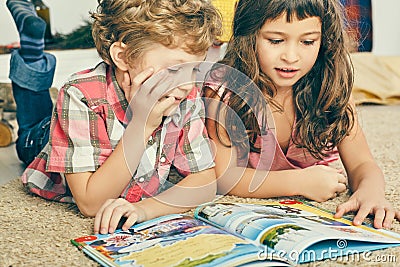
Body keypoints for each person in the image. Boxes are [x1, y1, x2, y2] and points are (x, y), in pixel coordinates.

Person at [7, 0, 222, 234]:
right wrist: (142, 125)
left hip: (93, 133)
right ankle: (31, 55)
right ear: (123, 56)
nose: (187, 83)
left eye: (194, 70)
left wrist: (144, 209)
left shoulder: (184, 94)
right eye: (173, 70)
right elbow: (90, 203)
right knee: (29, 129)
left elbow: (206, 183)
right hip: (44, 140)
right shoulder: (81, 95)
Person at [202, 0, 400, 229]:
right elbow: (224, 177)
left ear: (324, 40)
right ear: (249, 35)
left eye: (307, 41)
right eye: (276, 41)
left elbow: (362, 163)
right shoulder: (225, 92)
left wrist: (371, 191)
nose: (291, 56)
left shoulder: (331, 89)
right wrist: (297, 182)